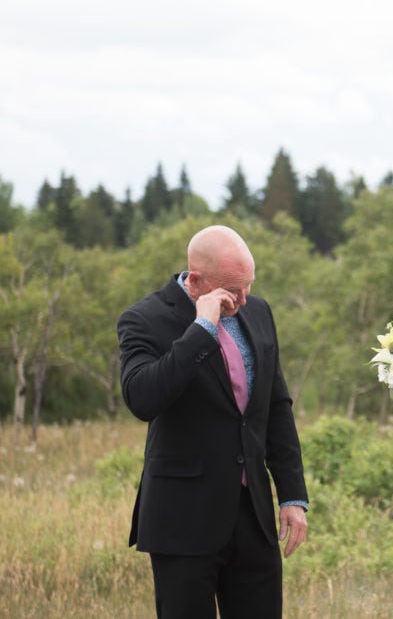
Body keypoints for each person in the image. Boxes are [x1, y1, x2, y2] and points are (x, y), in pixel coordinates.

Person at [117, 225, 309, 618]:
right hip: (182, 519)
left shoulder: (258, 311)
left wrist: (292, 495)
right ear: (197, 279)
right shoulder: (144, 319)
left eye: (248, 286)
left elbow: (275, 406)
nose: (243, 299)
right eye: (231, 290)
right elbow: (142, 399)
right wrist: (201, 329)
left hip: (252, 514)